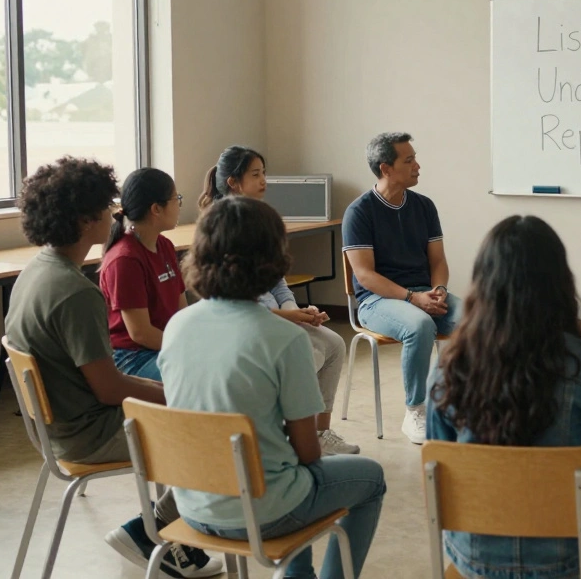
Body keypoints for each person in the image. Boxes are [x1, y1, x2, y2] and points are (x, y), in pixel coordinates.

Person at [5, 157, 221, 578]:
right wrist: (175, 395)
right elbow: (109, 389)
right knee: (216, 433)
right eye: (106, 206)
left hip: (61, 428)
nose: (114, 213)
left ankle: (162, 535)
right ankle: (149, 533)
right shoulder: (75, 293)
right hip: (89, 433)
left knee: (200, 410)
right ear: (86, 219)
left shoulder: (36, 272)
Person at [161, 197, 386, 579]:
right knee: (370, 477)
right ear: (273, 258)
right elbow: (308, 451)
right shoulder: (284, 338)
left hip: (193, 504)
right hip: (262, 512)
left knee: (290, 475)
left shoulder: (177, 326)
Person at [427, 216, 581, 578]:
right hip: (568, 558)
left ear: (482, 283)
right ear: (560, 283)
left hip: (476, 557)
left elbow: (442, 476)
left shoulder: (449, 366)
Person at [199, 145, 359, 456]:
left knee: (333, 343)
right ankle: (289, 431)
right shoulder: (223, 229)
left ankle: (320, 432)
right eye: (255, 174)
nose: (264, 181)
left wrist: (296, 311)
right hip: (252, 324)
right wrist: (293, 318)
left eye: (264, 173)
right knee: (304, 353)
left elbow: (278, 282)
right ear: (233, 183)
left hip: (275, 317)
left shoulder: (259, 221)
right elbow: (242, 306)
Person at [343, 132, 460, 444]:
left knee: (480, 320)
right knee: (419, 325)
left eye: (415, 158)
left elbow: (438, 260)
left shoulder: (424, 206)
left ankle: (464, 403)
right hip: (376, 301)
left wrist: (438, 289)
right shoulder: (359, 212)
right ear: (386, 169)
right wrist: (413, 298)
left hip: (423, 292)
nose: (417, 166)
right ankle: (415, 411)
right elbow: (365, 276)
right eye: (409, 161)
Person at [99, 167, 186, 382]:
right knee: (198, 376)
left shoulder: (164, 245)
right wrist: (186, 347)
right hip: (133, 357)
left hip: (165, 345)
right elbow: (140, 333)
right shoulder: (125, 259)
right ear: (156, 209)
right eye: (176, 199)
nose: (179, 205)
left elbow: (182, 310)